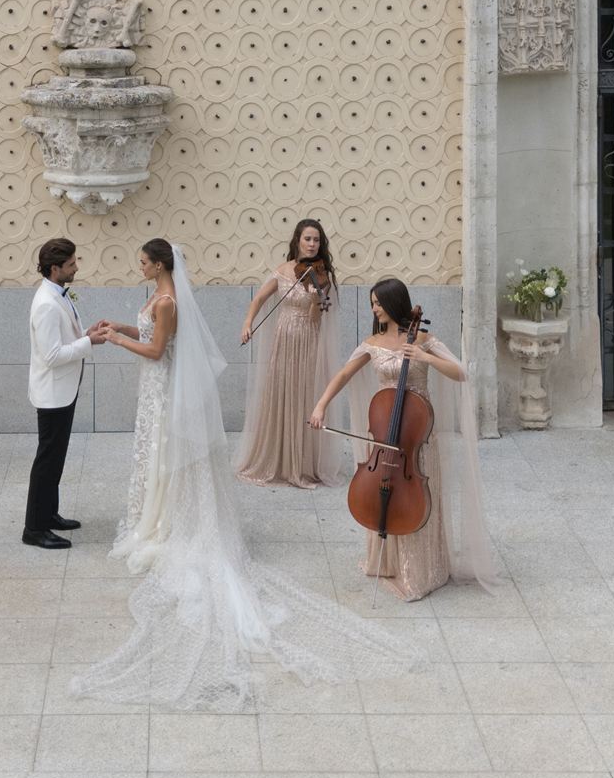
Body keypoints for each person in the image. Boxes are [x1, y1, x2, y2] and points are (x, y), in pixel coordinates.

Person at [72, 240, 426, 712]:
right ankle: (156, 515)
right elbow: (152, 330)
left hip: (161, 389)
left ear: (159, 264)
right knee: (155, 456)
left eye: (142, 260)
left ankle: (165, 522)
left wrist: (116, 340)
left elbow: (157, 350)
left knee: (163, 456)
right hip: (156, 394)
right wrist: (118, 324)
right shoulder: (160, 297)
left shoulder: (169, 300)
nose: (137, 265)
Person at [309, 278, 500, 600]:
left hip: (416, 437)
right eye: (372, 304)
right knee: (384, 491)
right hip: (386, 432)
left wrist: (425, 358)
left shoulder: (422, 339)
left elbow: (461, 372)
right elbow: (344, 374)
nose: (374, 309)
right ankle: (386, 561)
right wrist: (320, 405)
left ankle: (421, 569)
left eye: (378, 303)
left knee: (416, 498)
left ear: (394, 303)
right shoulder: (372, 342)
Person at [236, 218, 350, 488]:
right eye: (308, 239)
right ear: (297, 240)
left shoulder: (324, 277)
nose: (312, 244)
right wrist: (247, 323)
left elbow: (316, 319)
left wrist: (315, 299)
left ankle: (299, 466)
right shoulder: (283, 270)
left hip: (307, 340)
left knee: (302, 395)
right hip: (283, 338)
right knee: (281, 394)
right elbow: (259, 300)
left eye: (317, 240)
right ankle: (277, 460)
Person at [24, 237, 94, 550]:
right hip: (52, 393)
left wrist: (88, 334)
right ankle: (34, 528)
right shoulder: (46, 304)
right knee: (47, 460)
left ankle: (49, 514)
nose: (76, 267)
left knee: (56, 459)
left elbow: (68, 336)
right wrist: (91, 344)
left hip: (63, 389)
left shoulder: (56, 294)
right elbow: (51, 356)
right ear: (55, 269)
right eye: (71, 264)